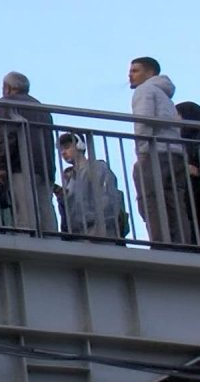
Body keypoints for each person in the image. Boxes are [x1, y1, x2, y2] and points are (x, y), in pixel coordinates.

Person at [128, 57, 194, 246]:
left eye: (135, 70)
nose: (130, 75)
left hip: (156, 152)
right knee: (174, 201)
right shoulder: (164, 94)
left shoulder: (145, 90)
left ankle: (160, 243)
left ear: (149, 73)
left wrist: (141, 153)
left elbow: (144, 121)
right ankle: (182, 244)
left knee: (152, 199)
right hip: (175, 153)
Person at [0, 71, 58, 233]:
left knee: (25, 214)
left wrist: (1, 167)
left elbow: (6, 136)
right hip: (44, 167)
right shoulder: (42, 109)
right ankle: (52, 244)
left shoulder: (7, 103)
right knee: (45, 211)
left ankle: (29, 245)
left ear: (7, 88)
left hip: (20, 165)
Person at [54, 132, 124, 241]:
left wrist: (98, 230)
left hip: (99, 236)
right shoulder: (69, 179)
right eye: (61, 149)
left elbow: (109, 202)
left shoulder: (97, 168)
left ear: (80, 146)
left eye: (67, 147)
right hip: (78, 238)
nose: (63, 152)